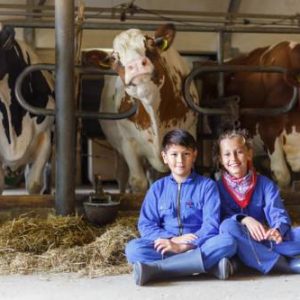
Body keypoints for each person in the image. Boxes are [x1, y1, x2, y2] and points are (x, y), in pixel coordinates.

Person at [125, 129, 237, 286]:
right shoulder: (157, 188)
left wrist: (184, 246)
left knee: (227, 242)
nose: (180, 160)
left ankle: (156, 269)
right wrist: (172, 240)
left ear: (194, 155)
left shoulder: (207, 186)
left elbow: (211, 225)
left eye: (186, 154)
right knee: (133, 249)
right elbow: (146, 225)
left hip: (197, 244)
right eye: (174, 154)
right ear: (164, 157)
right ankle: (208, 267)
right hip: (167, 246)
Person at [215, 128, 300, 275]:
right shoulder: (216, 188)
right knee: (227, 227)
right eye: (227, 154)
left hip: (265, 239)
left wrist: (277, 230)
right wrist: (244, 219)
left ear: (249, 153)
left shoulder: (265, 184)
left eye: (239, 152)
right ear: (221, 160)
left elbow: (278, 213)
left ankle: (245, 261)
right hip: (237, 239)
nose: (233, 159)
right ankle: (281, 264)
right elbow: (217, 220)